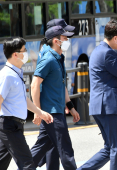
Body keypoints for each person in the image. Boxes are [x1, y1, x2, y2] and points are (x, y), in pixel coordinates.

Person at [77, 20, 117, 170]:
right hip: (110, 107)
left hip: (101, 106)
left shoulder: (98, 50)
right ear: (115, 38)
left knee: (109, 148)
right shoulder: (108, 53)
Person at [30, 25, 80, 170]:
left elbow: (61, 85)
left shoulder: (58, 58)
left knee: (41, 148)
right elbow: (34, 85)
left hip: (56, 110)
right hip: (51, 112)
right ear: (56, 41)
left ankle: (25, 167)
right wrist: (37, 111)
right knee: (66, 150)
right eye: (64, 38)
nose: (67, 41)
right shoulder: (48, 59)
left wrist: (71, 107)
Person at [0, 37, 53, 170]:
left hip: (12, 124)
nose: (27, 53)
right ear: (15, 54)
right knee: (27, 164)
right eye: (24, 50)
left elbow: (23, 99)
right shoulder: (7, 75)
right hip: (9, 126)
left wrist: (40, 112)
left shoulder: (15, 73)